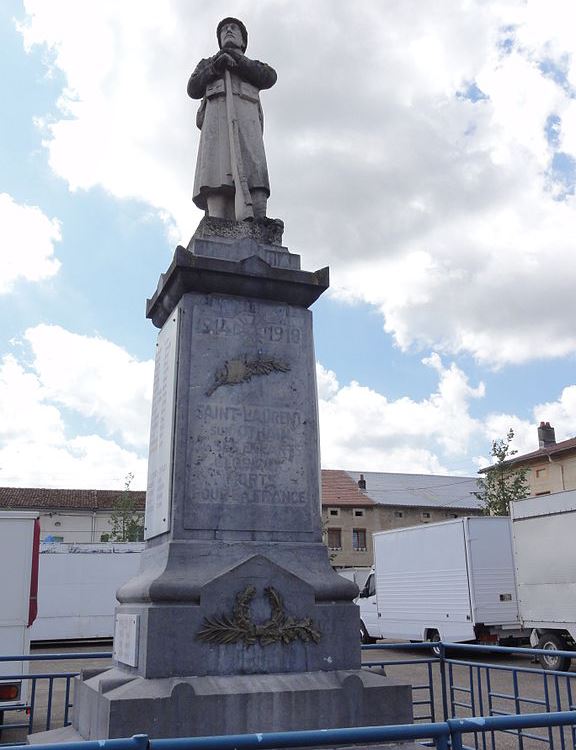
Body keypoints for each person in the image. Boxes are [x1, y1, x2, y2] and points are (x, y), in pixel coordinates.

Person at [188, 18, 277, 221]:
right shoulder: (207, 64)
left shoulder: (253, 66)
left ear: (243, 41)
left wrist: (237, 62)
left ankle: (260, 218)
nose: (228, 30)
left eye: (233, 28)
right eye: (224, 29)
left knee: (253, 164)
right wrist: (215, 68)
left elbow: (269, 77)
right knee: (216, 168)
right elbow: (193, 88)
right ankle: (216, 221)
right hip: (217, 121)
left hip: (247, 120)